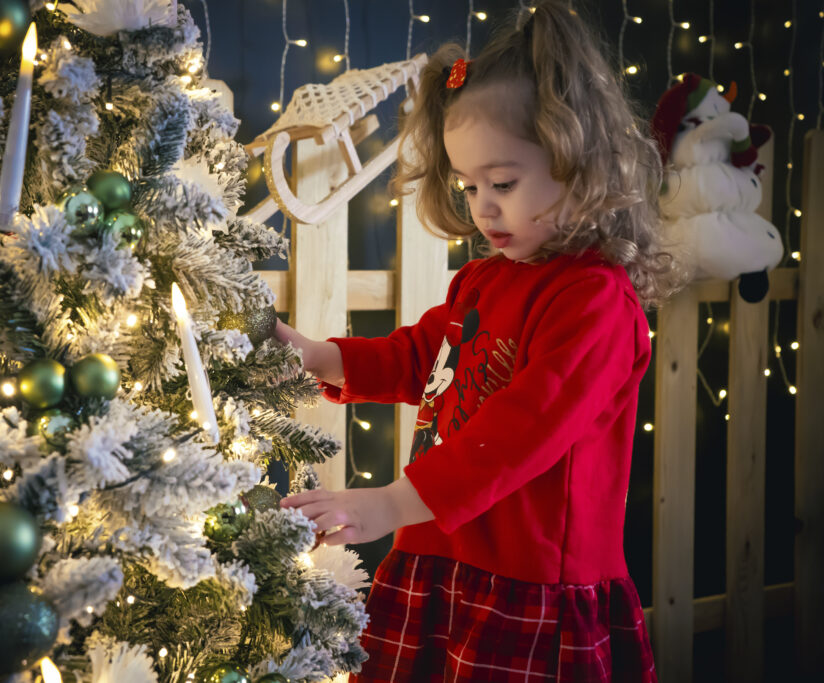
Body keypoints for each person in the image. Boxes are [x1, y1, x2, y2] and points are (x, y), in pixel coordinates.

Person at [276, 1, 687, 680]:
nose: (482, 206)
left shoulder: (594, 302)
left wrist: (389, 501)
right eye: (469, 185)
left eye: (502, 182)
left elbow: (520, 433)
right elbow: (418, 357)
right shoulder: (483, 282)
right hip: (441, 554)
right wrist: (321, 356)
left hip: (527, 585)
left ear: (576, 160)